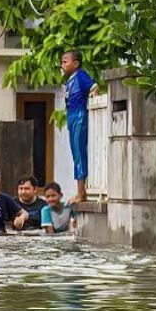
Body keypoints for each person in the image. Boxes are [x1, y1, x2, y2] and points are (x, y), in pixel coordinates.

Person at [62, 50, 97, 203]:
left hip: (79, 115)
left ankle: (81, 192)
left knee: (79, 153)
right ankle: (79, 191)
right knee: (75, 154)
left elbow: (94, 86)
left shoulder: (80, 75)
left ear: (75, 63)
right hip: (71, 115)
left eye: (65, 61)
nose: (62, 65)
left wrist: (93, 94)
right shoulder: (69, 80)